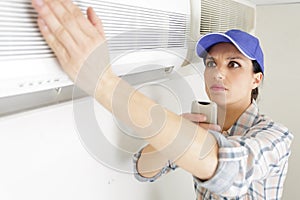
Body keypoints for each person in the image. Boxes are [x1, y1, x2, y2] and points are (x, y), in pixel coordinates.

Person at [31, 0, 293, 199]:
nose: (218, 73)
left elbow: (229, 171)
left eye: (233, 64)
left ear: (256, 79)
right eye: (212, 63)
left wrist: (104, 83)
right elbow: (143, 169)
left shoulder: (276, 137)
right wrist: (176, 137)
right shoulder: (203, 125)